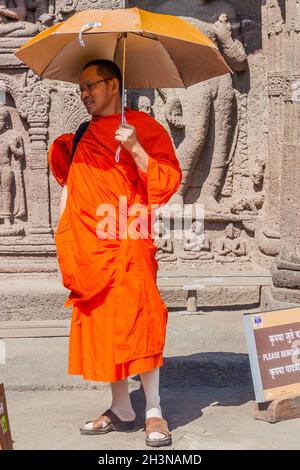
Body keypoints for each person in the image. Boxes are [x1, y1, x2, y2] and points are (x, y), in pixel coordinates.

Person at [48, 59, 182, 447]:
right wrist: (66, 234)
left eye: (91, 86)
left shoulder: (144, 129)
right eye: (81, 89)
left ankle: (153, 410)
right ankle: (121, 406)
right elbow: (72, 184)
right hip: (89, 245)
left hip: (127, 241)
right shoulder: (82, 132)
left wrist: (136, 147)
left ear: (113, 84)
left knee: (140, 321)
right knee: (105, 326)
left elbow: (166, 184)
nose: (85, 94)